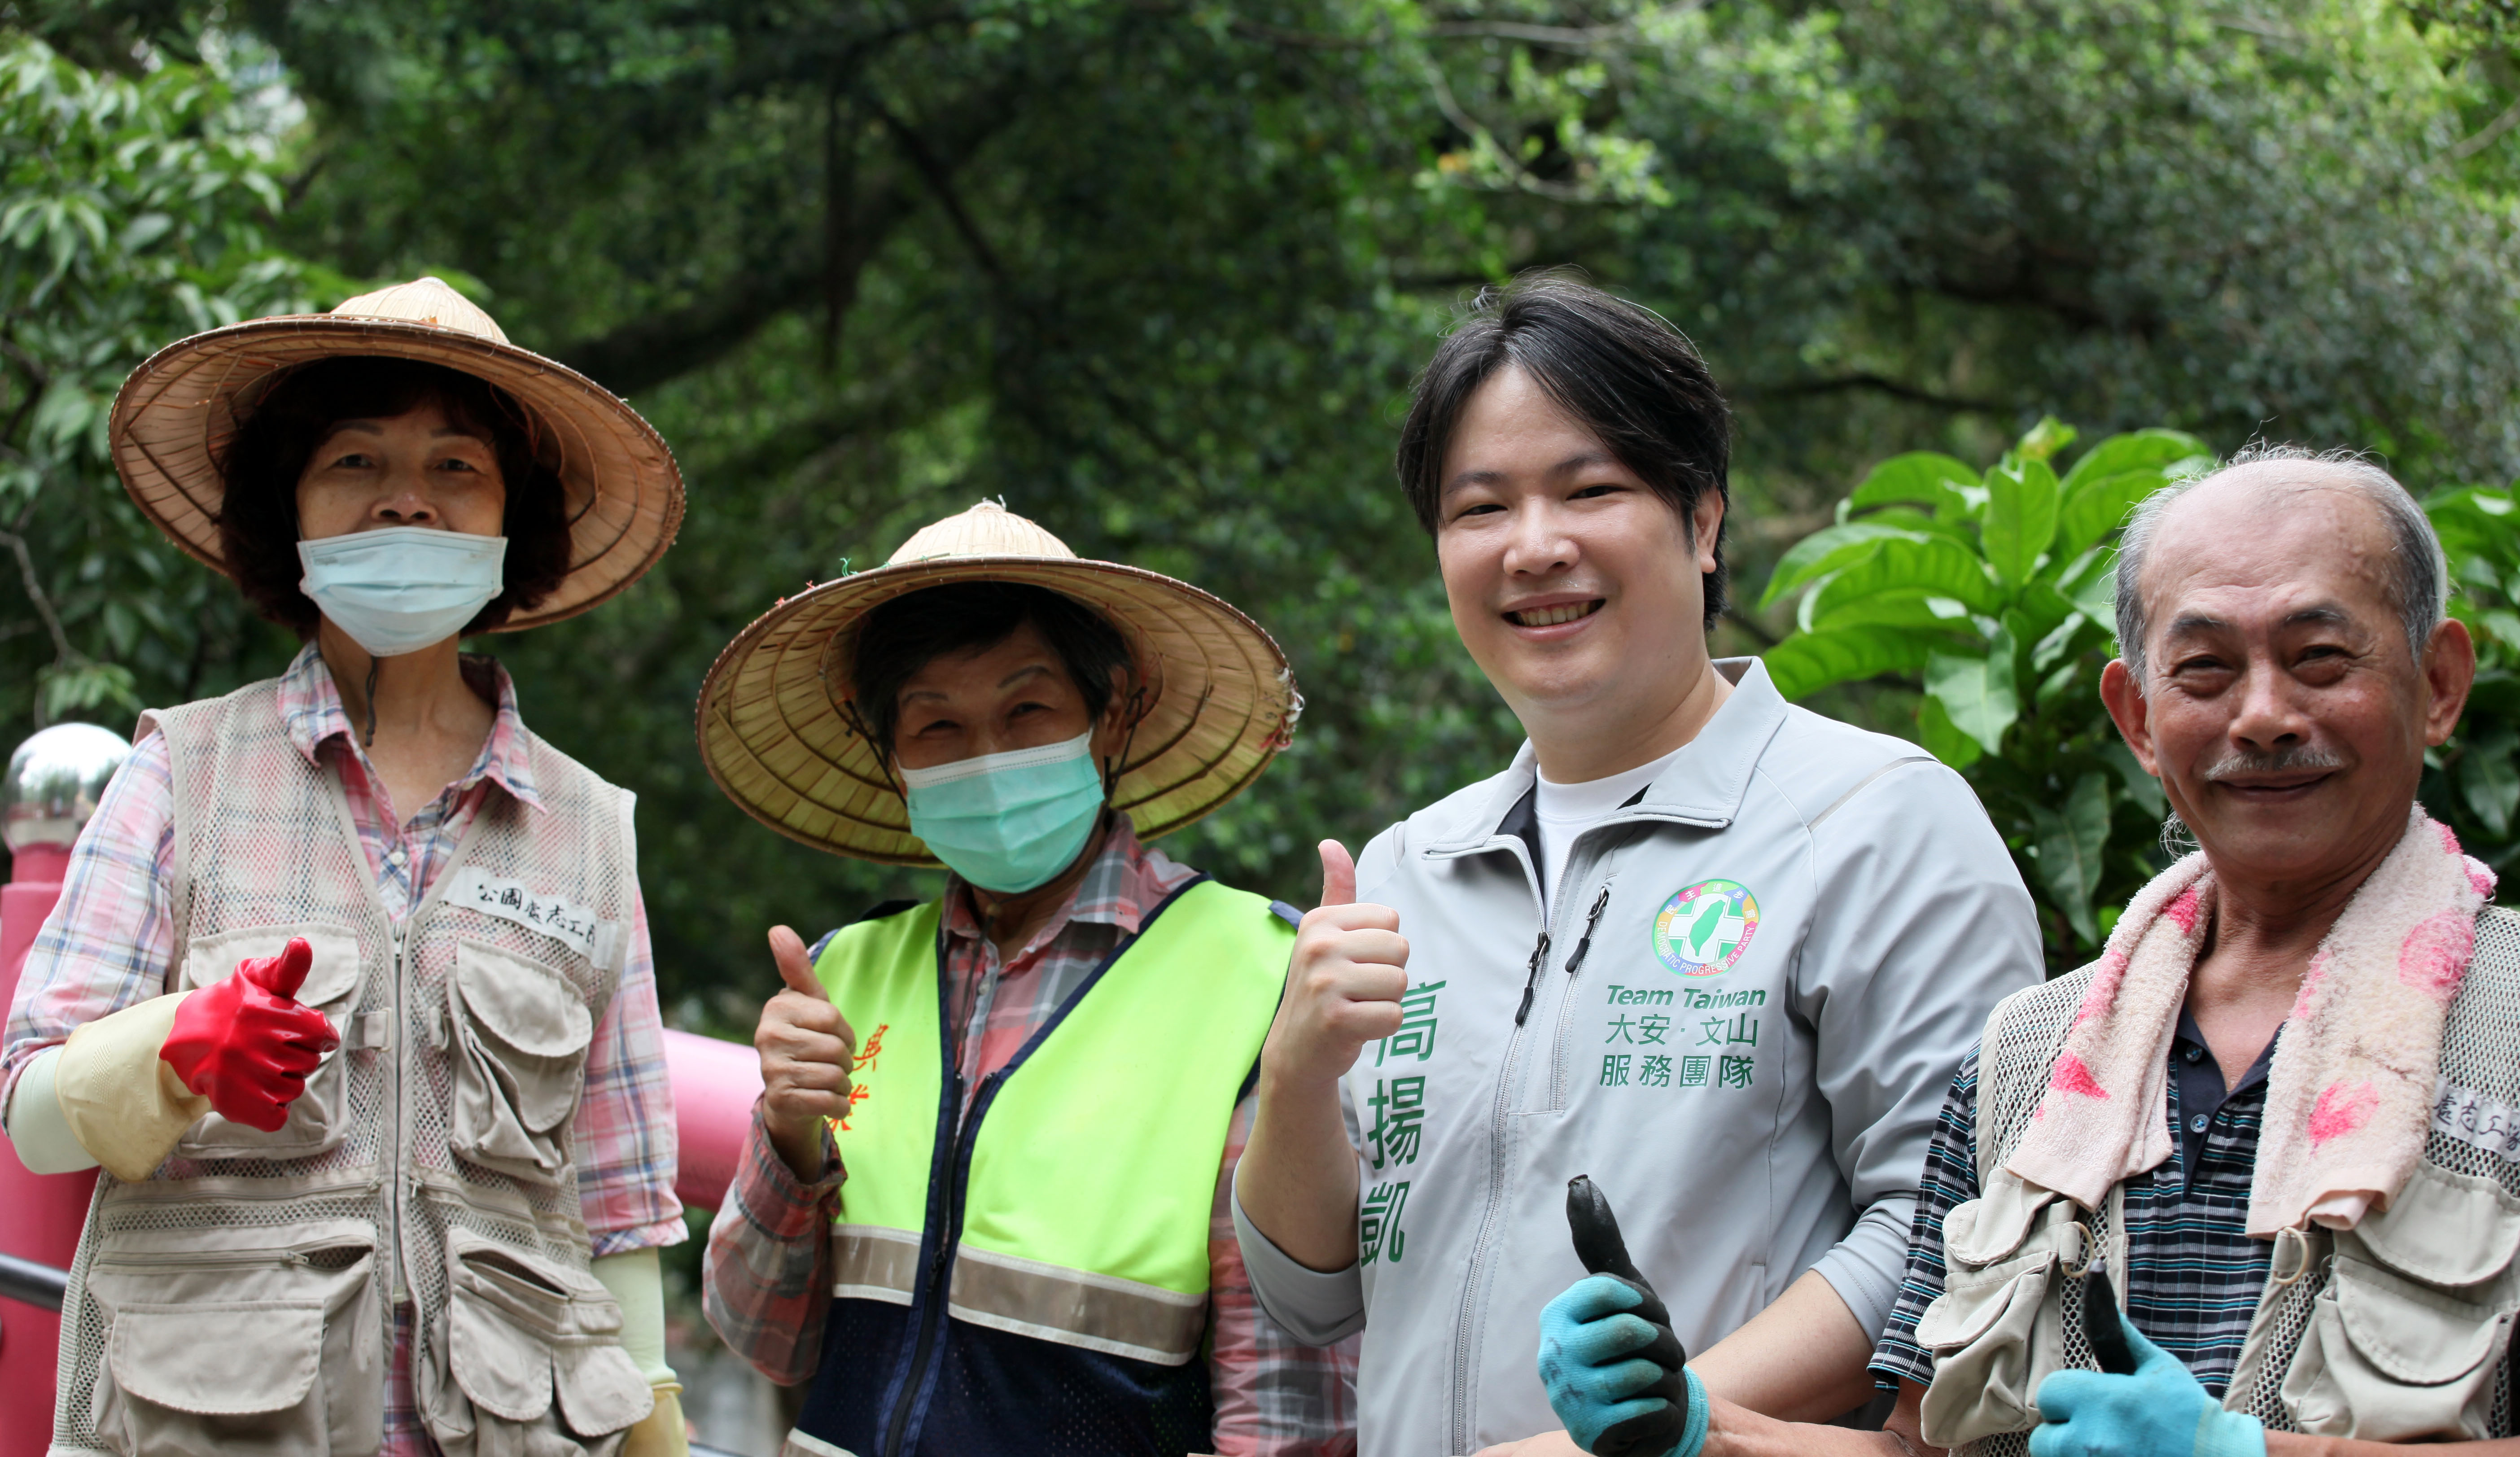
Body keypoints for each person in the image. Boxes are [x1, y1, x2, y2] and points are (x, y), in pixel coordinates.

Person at [1543, 446, 2520, 1456]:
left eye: (2319, 658)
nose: (2264, 716)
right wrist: (1699, 1432)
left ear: (2439, 683)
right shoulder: (2029, 1059)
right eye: (2204, 669)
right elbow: (1921, 1445)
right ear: (2138, 719)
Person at [1229, 271, 2042, 1457]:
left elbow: (1948, 1230)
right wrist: (1299, 1072)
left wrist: (1652, 1430)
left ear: (1703, 522)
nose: (1535, 547)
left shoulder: (1875, 822)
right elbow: (1311, 1296)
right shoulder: (1407, 869)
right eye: (1480, 508)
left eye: (1590, 490)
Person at [0, 277, 691, 1457]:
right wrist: (173, 1048)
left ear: (511, 521)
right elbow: (30, 1116)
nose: (407, 499)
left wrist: (655, 1427)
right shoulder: (179, 774)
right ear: (294, 510)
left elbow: (619, 1204)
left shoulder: (588, 828)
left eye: (456, 467)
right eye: (356, 461)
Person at [694, 501, 1353, 1457]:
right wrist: (789, 1137)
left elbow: (1287, 1405)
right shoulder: (843, 976)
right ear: (891, 756)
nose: (988, 758)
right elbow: (762, 1335)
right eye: (937, 724)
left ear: (1111, 713)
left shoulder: (1257, 978)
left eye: (1028, 711)